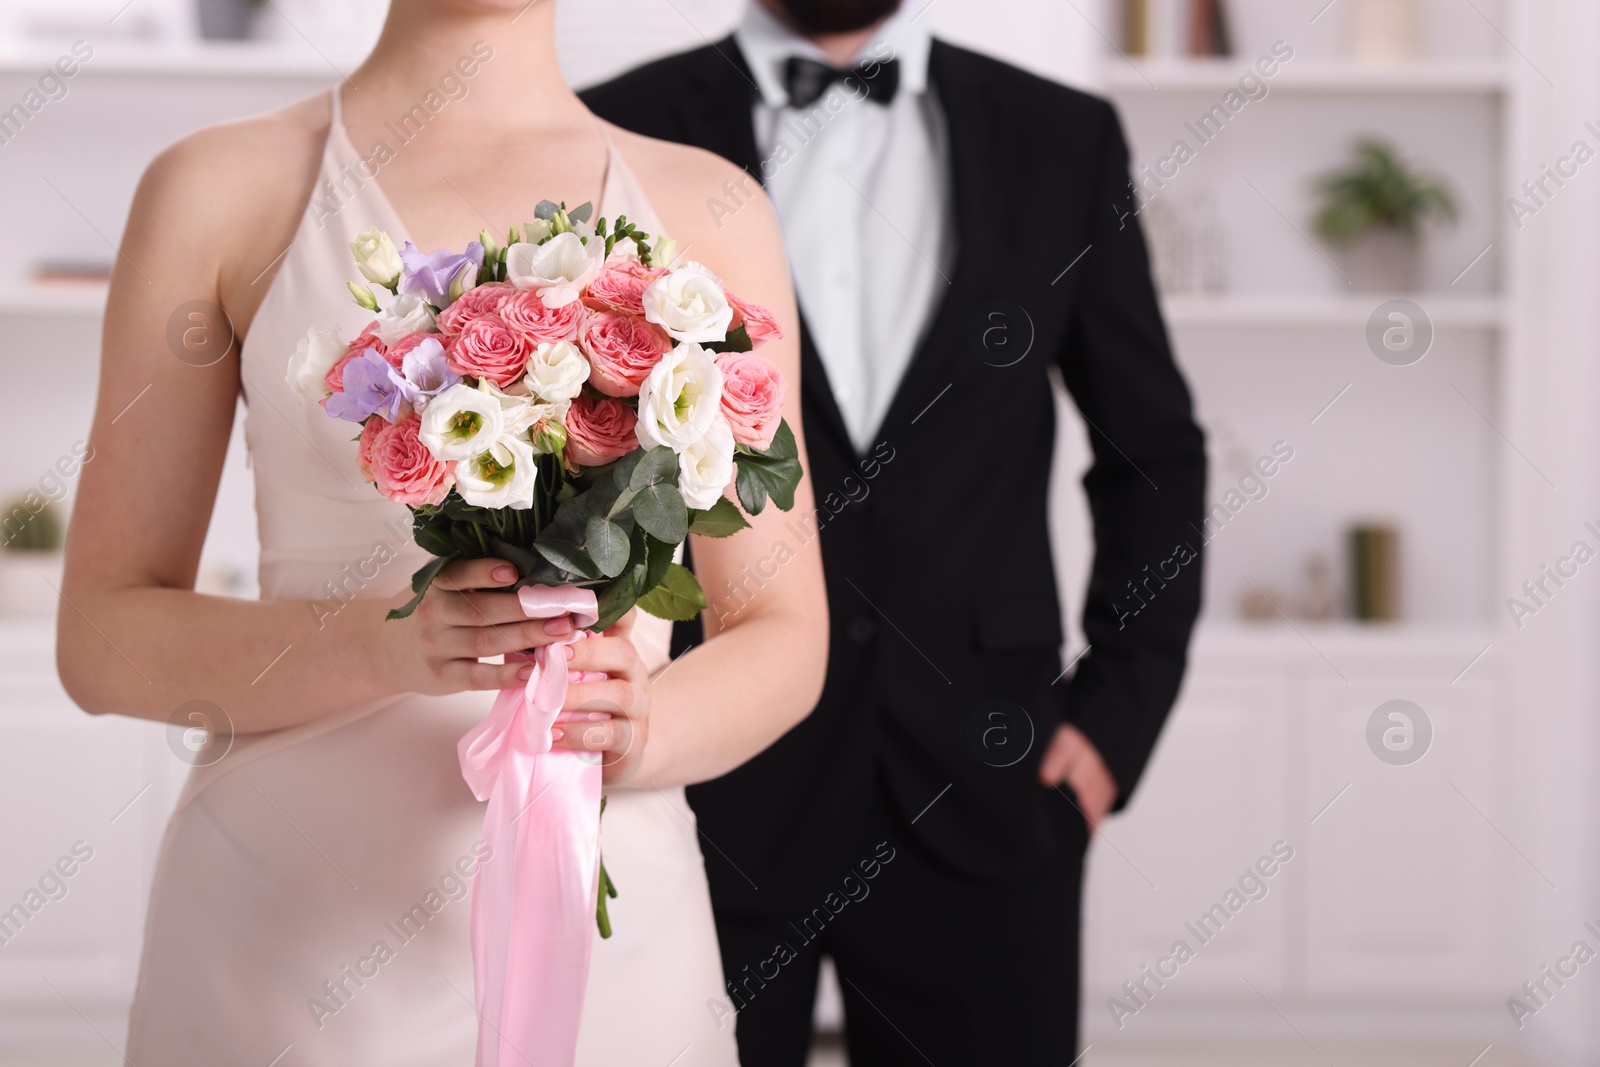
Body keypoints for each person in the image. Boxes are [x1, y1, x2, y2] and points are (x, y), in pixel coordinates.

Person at [55, 1, 827, 1063]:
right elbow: (103, 638)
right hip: (284, 949)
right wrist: (385, 645)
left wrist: (638, 723)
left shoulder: (713, 207)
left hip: (612, 935)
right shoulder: (216, 189)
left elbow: (782, 628)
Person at [583, 1, 1207, 1062]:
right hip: (698, 786)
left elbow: (1153, 455)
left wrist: (1113, 722)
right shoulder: (616, 128)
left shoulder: (1062, 136)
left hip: (991, 788)